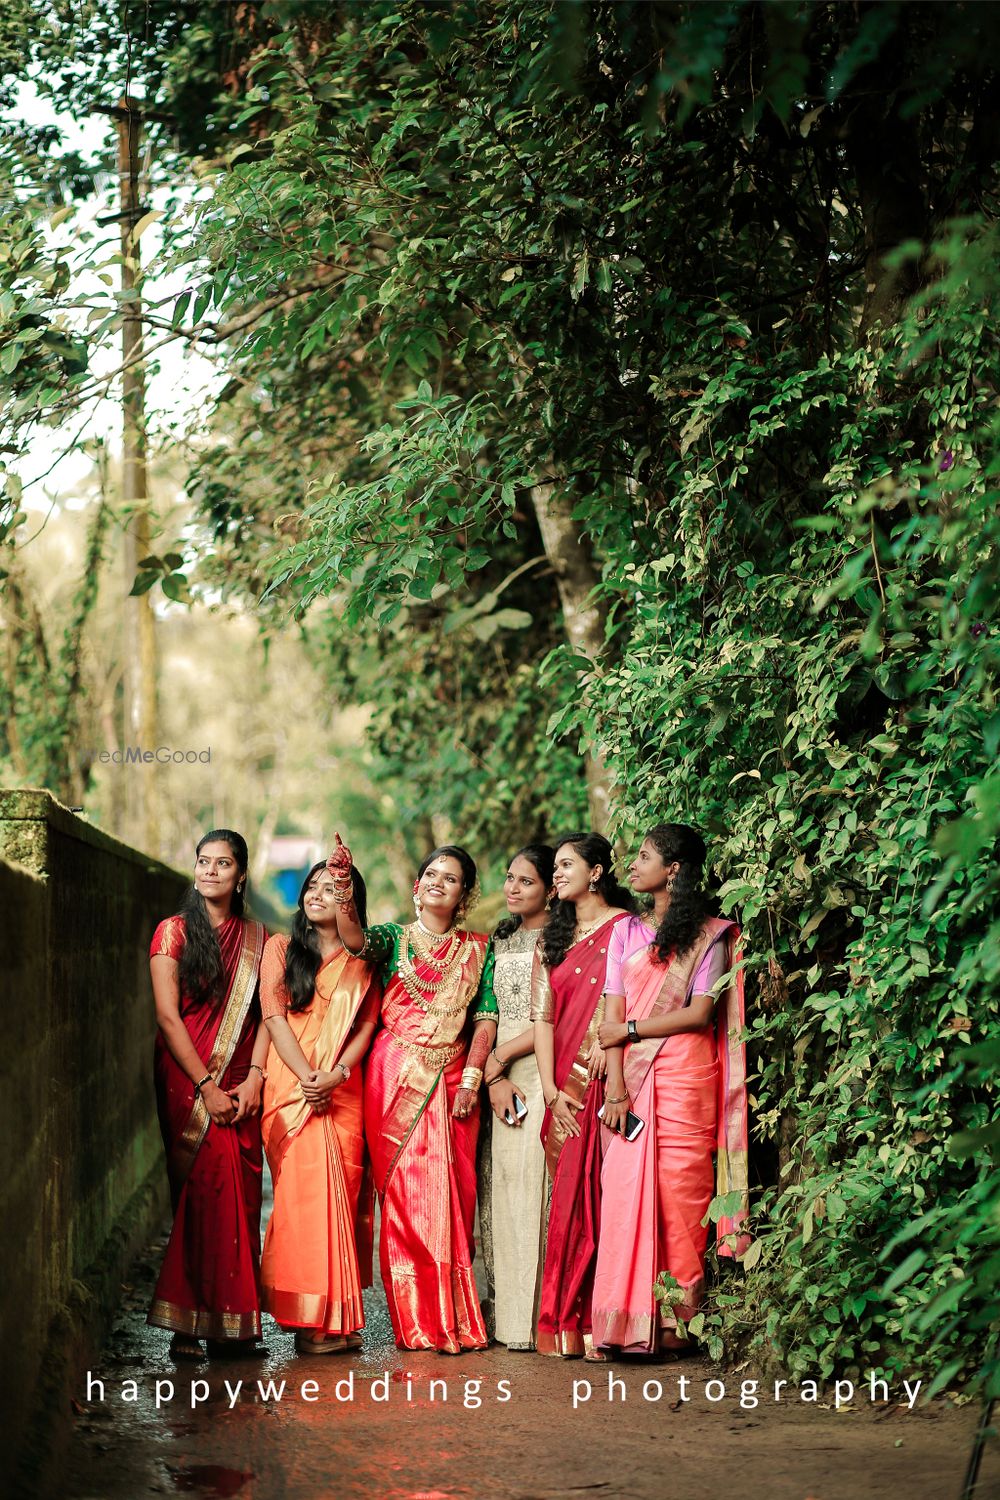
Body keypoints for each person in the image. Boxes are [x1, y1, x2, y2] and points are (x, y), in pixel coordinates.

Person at [327, 834, 498, 1354]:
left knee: (454, 1197)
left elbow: (485, 1019)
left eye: (452, 878)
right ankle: (416, 1322)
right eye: (433, 875)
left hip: (455, 1082)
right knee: (404, 1200)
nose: (439, 883)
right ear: (415, 886)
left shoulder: (478, 949)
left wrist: (471, 1079)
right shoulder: (391, 940)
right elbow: (353, 939)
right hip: (396, 1074)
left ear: (463, 896)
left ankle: (457, 1317)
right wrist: (342, 890)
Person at [591, 823, 749, 1355]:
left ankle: (676, 1321)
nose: (632, 866)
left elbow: (701, 1012)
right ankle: (626, 1320)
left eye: (644, 856)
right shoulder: (625, 933)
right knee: (624, 1191)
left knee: (681, 1196)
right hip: (630, 1079)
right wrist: (615, 1087)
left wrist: (631, 1032)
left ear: (673, 870)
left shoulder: (711, 935)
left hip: (686, 1075)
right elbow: (611, 1014)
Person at [147, 829, 269, 1360]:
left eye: (223, 864)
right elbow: (168, 1017)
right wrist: (206, 1086)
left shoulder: (261, 939)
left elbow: (270, 1013)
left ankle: (234, 1321)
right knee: (201, 1192)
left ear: (241, 875)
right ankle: (188, 1323)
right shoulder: (172, 932)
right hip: (187, 1075)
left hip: (242, 1078)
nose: (210, 871)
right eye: (203, 862)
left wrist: (257, 1077)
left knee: (239, 1195)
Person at [259, 861, 381, 1354]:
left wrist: (336, 1075)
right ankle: (309, 1322)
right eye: (312, 887)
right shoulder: (279, 949)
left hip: (342, 1088)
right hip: (293, 1085)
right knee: (304, 1200)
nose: (317, 895)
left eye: (332, 890)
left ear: (350, 901)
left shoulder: (365, 960)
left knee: (342, 1200)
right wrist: (310, 1077)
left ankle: (336, 1319)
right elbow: (274, 1015)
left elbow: (367, 1027)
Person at [531, 831, 634, 1358]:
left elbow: (630, 996)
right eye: (555, 867)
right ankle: (565, 1323)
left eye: (567, 864)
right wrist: (550, 1091)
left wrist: (602, 1044)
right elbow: (543, 1020)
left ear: (597, 871)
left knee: (605, 1195)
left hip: (607, 1076)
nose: (557, 874)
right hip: (564, 1089)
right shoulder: (552, 937)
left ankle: (603, 1320)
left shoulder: (626, 927)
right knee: (571, 1198)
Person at [479, 844, 555, 1351]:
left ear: (551, 889)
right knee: (499, 1182)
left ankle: (538, 1319)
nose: (511, 887)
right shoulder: (499, 941)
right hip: (497, 1072)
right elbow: (483, 1011)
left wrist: (502, 1058)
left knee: (534, 1183)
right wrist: (488, 1073)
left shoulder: (563, 940)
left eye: (525, 881)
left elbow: (554, 1016)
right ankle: (506, 1318)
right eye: (508, 878)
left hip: (538, 1064)